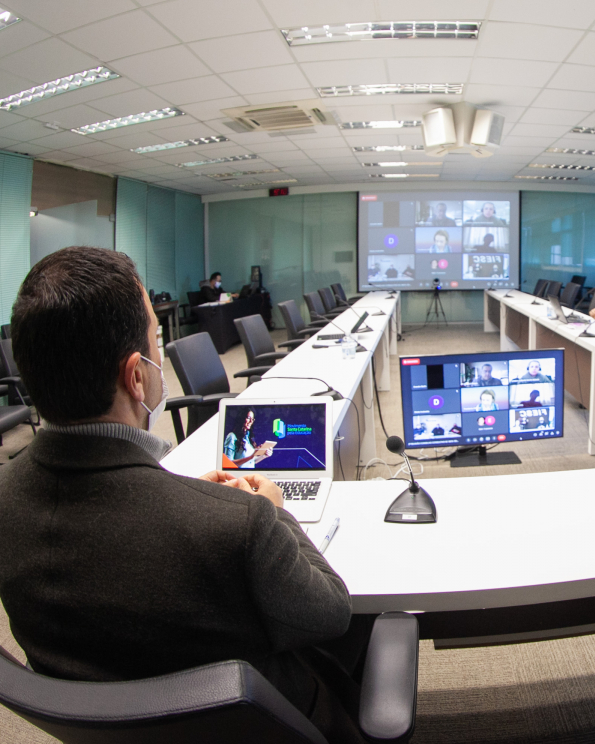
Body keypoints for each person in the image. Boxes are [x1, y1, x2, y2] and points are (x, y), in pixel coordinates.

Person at [0, 247, 370, 743]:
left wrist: (184, 501)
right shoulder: (240, 524)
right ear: (136, 376)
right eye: (156, 339)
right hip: (268, 724)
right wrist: (270, 512)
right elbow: (331, 613)